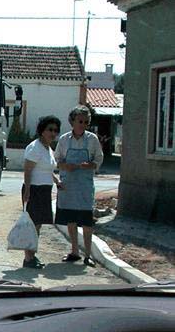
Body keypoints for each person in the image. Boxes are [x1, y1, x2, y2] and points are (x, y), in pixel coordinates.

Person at [55, 106, 104, 267]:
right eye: (80, 121)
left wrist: (90, 165)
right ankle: (75, 251)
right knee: (71, 221)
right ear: (72, 122)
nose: (83, 124)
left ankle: (88, 255)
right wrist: (64, 166)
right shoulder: (63, 140)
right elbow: (56, 160)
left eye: (85, 122)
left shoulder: (92, 140)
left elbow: (98, 159)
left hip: (84, 186)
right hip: (68, 185)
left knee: (87, 222)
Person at [22, 115, 63, 269]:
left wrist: (56, 181)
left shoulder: (48, 148)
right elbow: (27, 170)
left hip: (45, 190)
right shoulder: (35, 147)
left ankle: (32, 255)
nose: (53, 133)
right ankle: (28, 259)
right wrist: (27, 190)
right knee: (32, 225)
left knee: (38, 225)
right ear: (42, 131)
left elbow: (47, 169)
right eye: (49, 129)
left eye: (55, 130)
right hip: (34, 190)